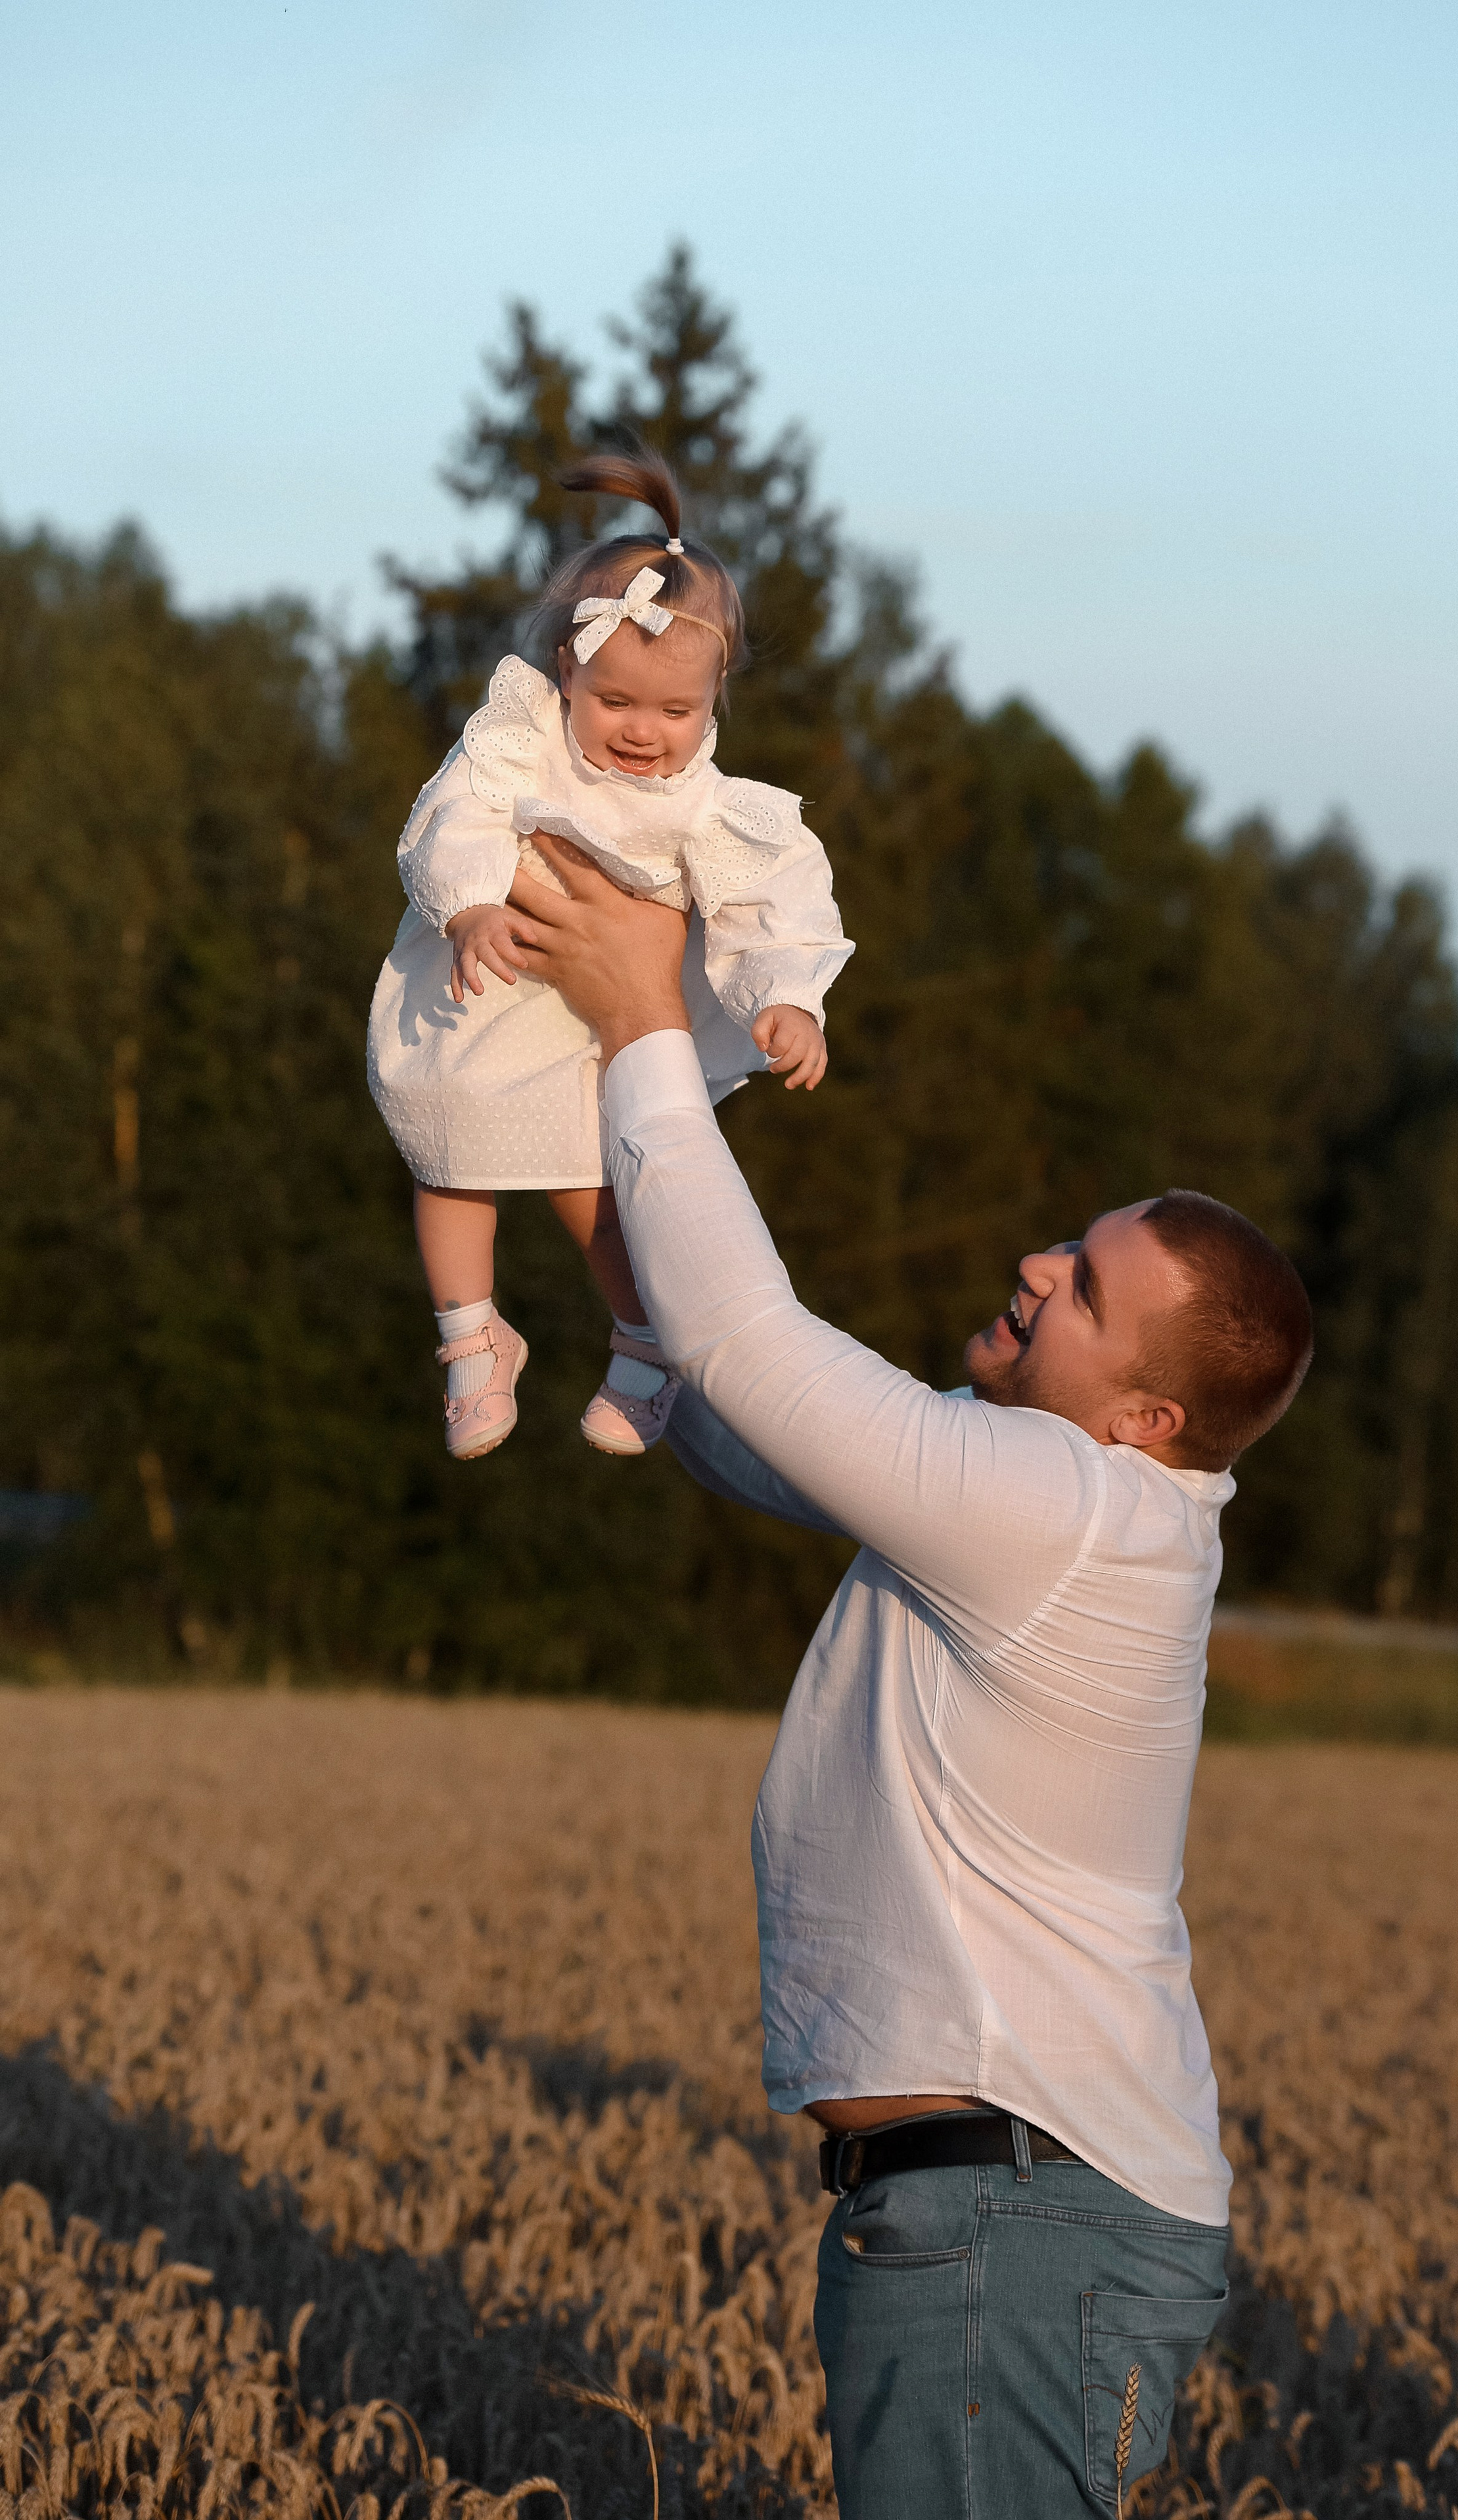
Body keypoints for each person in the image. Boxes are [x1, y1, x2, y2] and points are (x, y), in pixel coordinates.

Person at [501, 836, 1314, 2519]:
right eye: (1064, 1245)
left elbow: (752, 1348)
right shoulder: (1059, 1502)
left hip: (1018, 2215)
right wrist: (575, 1145)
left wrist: (650, 1019)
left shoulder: (1075, 1514)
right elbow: (732, 1424)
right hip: (997, 2212)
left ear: (1143, 1417)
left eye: (1082, 1288)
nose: (1033, 1264)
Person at [365, 447, 853, 1463]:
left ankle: (645, 1341)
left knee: (593, 1189)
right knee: (445, 1151)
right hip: (486, 981)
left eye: (676, 712)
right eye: (616, 702)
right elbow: (456, 815)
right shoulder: (519, 739)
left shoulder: (704, 808)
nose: (643, 733)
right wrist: (466, 908)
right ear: (567, 673)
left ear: (715, 698)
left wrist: (788, 999)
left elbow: (775, 905)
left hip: (591, 1023)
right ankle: (470, 1334)